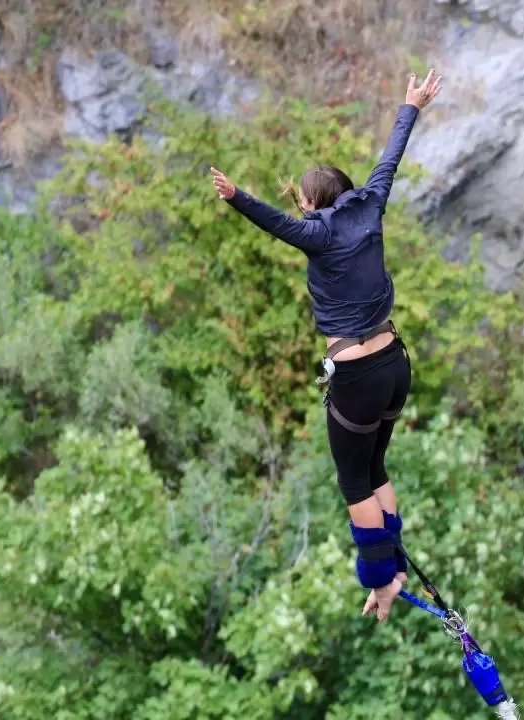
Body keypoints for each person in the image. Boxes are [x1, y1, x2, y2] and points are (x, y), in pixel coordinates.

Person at [209, 69, 443, 622]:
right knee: (376, 466)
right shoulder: (371, 203)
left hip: (359, 377)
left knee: (352, 479)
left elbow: (275, 224)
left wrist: (237, 196)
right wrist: (411, 106)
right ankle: (395, 563)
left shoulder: (316, 232)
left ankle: (381, 580)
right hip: (395, 363)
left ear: (314, 203)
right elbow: (389, 160)